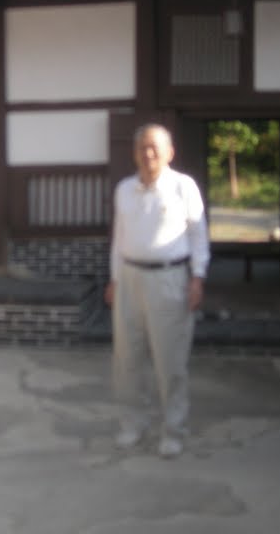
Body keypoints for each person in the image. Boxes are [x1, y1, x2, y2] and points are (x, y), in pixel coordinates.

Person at [104, 123, 209, 458]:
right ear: (134, 153)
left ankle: (173, 430)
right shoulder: (124, 189)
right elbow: (119, 239)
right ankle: (132, 424)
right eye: (142, 148)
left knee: (170, 359)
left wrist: (197, 277)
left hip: (170, 279)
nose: (148, 154)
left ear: (169, 152)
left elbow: (198, 235)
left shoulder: (183, 187)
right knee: (127, 358)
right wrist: (114, 278)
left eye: (155, 147)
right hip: (129, 278)